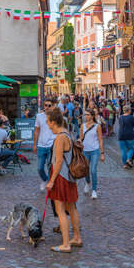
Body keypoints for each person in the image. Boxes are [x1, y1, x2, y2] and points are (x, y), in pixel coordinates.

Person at [46, 108, 81, 253]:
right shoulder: (68, 133)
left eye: (48, 122)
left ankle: (66, 244)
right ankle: (77, 238)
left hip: (61, 177)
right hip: (70, 177)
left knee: (60, 210)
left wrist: (51, 181)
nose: (48, 125)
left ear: (53, 122)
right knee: (71, 208)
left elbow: (58, 162)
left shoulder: (60, 137)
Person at [80, 108, 105, 199]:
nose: (86, 116)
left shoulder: (97, 126)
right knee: (85, 170)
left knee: (93, 170)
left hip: (94, 150)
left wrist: (102, 153)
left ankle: (94, 190)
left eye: (88, 115)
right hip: (85, 151)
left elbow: (100, 140)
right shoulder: (82, 126)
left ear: (92, 116)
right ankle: (87, 182)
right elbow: (81, 139)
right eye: (85, 115)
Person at [33, 98, 56, 191]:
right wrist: (35, 144)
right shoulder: (39, 116)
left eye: (49, 105)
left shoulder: (55, 117)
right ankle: (45, 179)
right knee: (39, 168)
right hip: (41, 145)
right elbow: (36, 131)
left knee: (50, 166)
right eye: (45, 105)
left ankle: (51, 183)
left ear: (52, 107)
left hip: (52, 145)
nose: (47, 107)